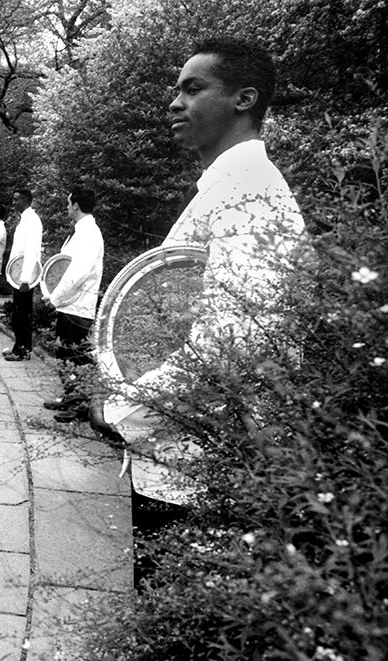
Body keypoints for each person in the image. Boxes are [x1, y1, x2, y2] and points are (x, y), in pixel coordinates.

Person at [93, 38, 308, 589]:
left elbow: (235, 341)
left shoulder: (248, 187)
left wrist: (123, 411)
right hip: (197, 457)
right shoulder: (226, 187)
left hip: (201, 470)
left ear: (244, 99)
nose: (173, 102)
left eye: (193, 88)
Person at [42, 188, 105, 422]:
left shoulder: (89, 234)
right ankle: (71, 397)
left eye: (68, 204)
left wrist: (54, 297)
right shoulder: (81, 232)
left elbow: (77, 272)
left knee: (76, 356)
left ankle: (80, 407)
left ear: (76, 205)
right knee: (64, 353)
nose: (67, 208)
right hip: (69, 305)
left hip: (78, 306)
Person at [4, 188, 43, 361]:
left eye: (16, 200)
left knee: (23, 314)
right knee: (19, 313)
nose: (13, 203)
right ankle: (19, 346)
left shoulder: (32, 221)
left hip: (25, 277)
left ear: (26, 200)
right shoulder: (25, 220)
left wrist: (26, 278)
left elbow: (31, 252)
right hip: (18, 274)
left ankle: (23, 350)